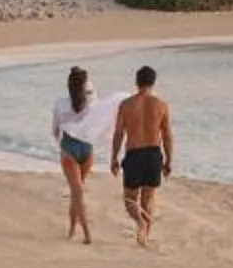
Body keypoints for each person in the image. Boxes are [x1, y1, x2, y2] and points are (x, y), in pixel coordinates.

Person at [109, 64, 174, 249]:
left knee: (130, 199)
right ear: (153, 82)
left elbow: (119, 133)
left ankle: (140, 223)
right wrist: (169, 160)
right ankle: (144, 236)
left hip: (134, 154)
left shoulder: (126, 105)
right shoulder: (161, 105)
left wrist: (113, 158)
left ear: (137, 82)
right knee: (148, 199)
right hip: (154, 154)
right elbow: (167, 135)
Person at [51, 66, 112, 244]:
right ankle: (86, 233)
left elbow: (55, 130)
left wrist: (61, 145)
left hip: (71, 146)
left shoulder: (61, 103)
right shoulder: (90, 102)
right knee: (78, 192)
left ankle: (71, 230)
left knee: (76, 193)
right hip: (85, 147)